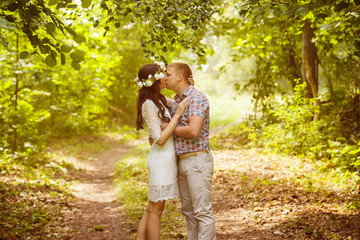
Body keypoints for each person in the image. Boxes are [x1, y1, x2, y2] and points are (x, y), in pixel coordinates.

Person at [134, 62, 188, 240]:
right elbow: (160, 138)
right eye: (162, 75)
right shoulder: (148, 104)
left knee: (152, 207)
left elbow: (181, 101)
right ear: (154, 81)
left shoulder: (161, 100)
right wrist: (178, 115)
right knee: (156, 209)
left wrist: (190, 85)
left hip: (166, 159)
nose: (166, 78)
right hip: (160, 161)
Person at [165, 62, 216, 240]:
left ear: (179, 77)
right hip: (182, 161)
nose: (164, 77)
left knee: (202, 211)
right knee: (188, 212)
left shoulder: (196, 98)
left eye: (168, 74)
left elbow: (193, 131)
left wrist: (168, 128)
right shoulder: (176, 102)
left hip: (198, 161)